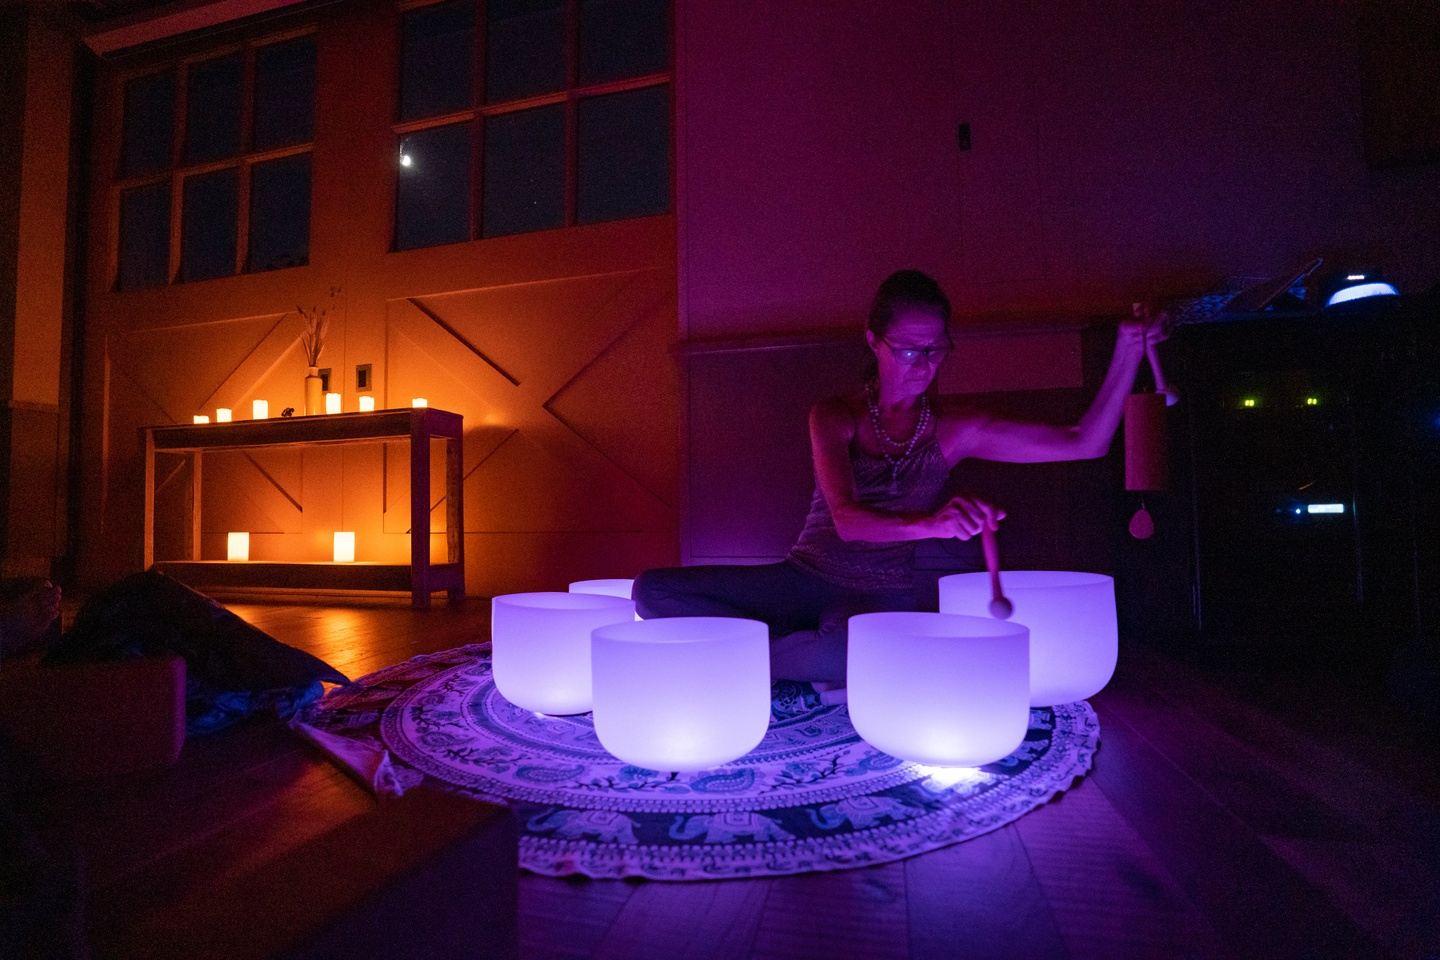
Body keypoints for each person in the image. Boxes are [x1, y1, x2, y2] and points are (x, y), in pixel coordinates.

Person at [634, 270, 1162, 685]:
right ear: (874, 341)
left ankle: (748, 654)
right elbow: (848, 522)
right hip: (802, 578)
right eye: (908, 349)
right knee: (653, 591)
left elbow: (1085, 442)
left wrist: (1128, 352)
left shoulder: (956, 430)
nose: (923, 363)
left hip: (880, 596)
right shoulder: (834, 415)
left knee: (849, 649)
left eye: (936, 349)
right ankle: (787, 654)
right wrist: (934, 523)